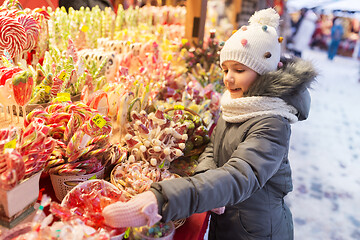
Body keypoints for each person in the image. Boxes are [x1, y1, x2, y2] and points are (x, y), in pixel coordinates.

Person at [102, 8, 317, 239]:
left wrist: (163, 198)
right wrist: (207, 180)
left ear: (264, 72)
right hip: (228, 218)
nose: (228, 78)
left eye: (239, 70)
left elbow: (239, 176)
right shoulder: (239, 102)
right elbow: (214, 148)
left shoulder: (271, 122)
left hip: (257, 229)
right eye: (225, 69)